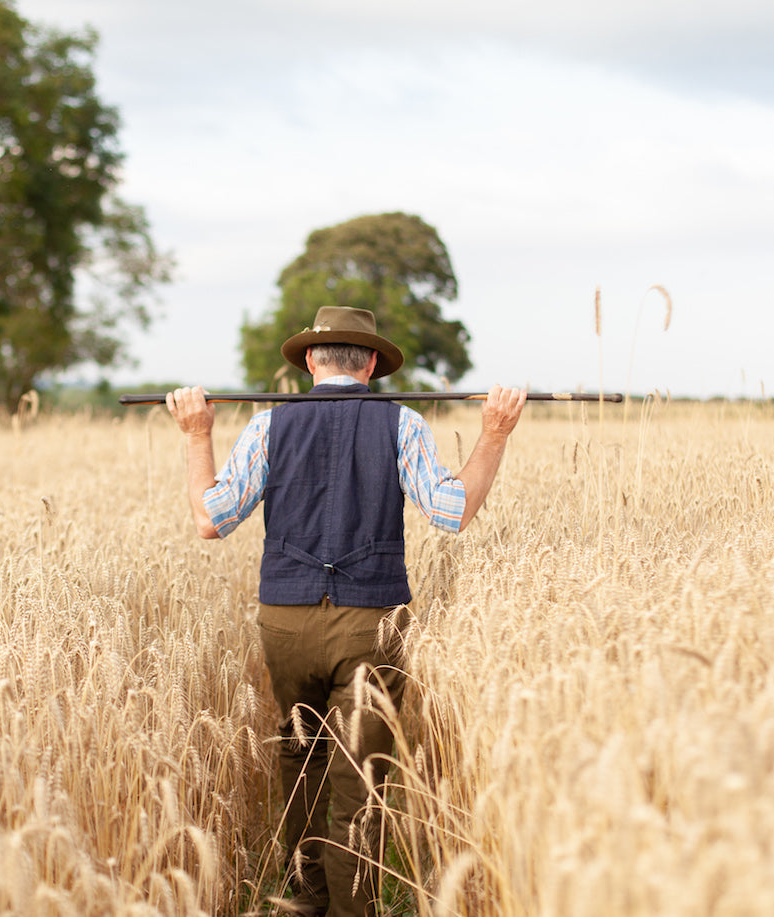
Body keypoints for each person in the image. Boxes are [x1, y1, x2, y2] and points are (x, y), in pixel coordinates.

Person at [166, 306, 525, 917]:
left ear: (310, 361)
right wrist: (494, 434)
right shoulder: (401, 424)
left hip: (285, 618)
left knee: (299, 755)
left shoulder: (267, 427)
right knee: (359, 777)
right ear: (374, 366)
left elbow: (211, 520)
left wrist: (198, 434)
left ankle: (302, 903)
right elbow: (451, 512)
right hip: (370, 621)